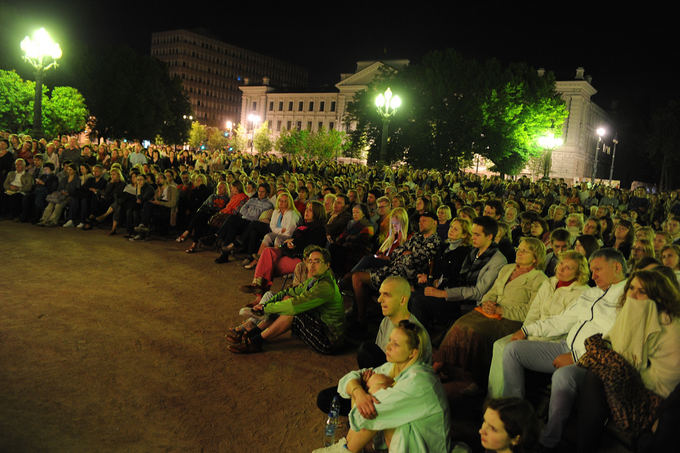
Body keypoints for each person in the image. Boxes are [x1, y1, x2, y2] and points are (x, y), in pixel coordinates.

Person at [502, 248, 627, 450]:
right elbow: (563, 321)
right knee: (513, 350)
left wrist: (577, 356)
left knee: (563, 376)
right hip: (565, 346)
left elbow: (617, 342)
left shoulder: (627, 298)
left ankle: (549, 440)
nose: (593, 276)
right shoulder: (592, 293)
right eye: (592, 270)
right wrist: (526, 330)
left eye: (598, 270)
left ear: (617, 267)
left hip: (592, 360)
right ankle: (514, 418)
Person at [574, 269, 680, 452]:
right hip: (634, 382)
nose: (633, 295)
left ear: (657, 297)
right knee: (594, 372)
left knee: (596, 376)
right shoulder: (636, 312)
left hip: (655, 395)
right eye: (631, 288)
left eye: (642, 291)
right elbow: (614, 348)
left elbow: (660, 377)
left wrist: (608, 361)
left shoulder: (668, 324)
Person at [313, 321, 451, 453]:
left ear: (412, 353)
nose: (388, 346)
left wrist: (370, 386)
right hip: (400, 440)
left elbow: (366, 414)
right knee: (367, 389)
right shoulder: (393, 366)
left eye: (395, 344)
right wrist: (359, 392)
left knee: (375, 391)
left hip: (422, 447)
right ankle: (348, 448)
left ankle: (348, 449)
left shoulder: (419, 380)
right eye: (390, 340)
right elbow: (349, 379)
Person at [435, 237, 548, 395]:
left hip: (510, 319)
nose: (519, 253)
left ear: (535, 257)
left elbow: (531, 311)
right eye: (519, 249)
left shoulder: (540, 279)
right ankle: (444, 366)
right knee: (460, 324)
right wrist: (487, 302)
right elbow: (493, 291)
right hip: (489, 311)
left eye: (525, 251)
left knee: (474, 332)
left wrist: (502, 310)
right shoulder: (507, 268)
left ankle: (470, 378)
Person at [315, 276, 432, 417]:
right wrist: (362, 383)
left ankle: (365, 410)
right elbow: (380, 363)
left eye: (386, 295)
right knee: (325, 398)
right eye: (380, 294)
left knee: (366, 351)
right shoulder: (386, 322)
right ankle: (363, 405)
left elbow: (409, 380)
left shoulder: (414, 335)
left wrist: (372, 384)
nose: (379, 300)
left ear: (402, 300)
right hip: (381, 374)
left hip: (395, 388)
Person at [488, 251, 590, 398]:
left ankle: (512, 400)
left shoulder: (581, 293)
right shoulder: (549, 282)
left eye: (569, 268)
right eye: (561, 264)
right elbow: (533, 312)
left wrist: (531, 334)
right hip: (533, 330)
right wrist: (525, 331)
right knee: (499, 345)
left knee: (509, 349)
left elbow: (562, 325)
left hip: (554, 339)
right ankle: (495, 397)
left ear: (579, 273)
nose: (561, 269)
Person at [227, 246, 344, 355]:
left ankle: (255, 341)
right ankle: (253, 334)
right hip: (319, 325)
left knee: (293, 311)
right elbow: (290, 292)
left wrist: (265, 308)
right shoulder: (315, 279)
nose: (312, 265)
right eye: (310, 261)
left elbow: (293, 306)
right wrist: (266, 305)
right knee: (285, 300)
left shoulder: (325, 286)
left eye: (317, 262)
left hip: (330, 340)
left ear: (327, 265)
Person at [409, 216, 507, 333]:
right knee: (413, 296)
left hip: (469, 303)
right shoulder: (474, 251)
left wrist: (444, 293)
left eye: (477, 235)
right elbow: (455, 276)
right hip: (455, 294)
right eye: (472, 233)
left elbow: (477, 292)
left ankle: (420, 338)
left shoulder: (497, 260)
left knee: (418, 301)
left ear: (489, 236)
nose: (473, 237)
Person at [240, 201, 327, 294]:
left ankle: (259, 294)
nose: (306, 211)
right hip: (288, 251)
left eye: (310, 210)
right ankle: (256, 284)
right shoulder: (303, 226)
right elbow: (292, 240)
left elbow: (311, 247)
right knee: (267, 251)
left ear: (317, 213)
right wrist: (288, 243)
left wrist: (293, 244)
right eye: (306, 209)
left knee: (268, 266)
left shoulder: (319, 229)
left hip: (300, 257)